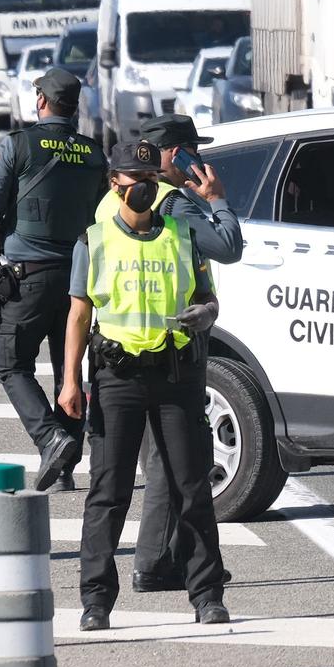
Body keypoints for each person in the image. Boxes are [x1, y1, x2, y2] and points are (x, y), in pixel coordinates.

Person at [59, 138, 228, 630]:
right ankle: (95, 601)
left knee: (191, 487)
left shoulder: (182, 234)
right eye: (137, 182)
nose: (146, 191)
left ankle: (207, 595)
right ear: (116, 184)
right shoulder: (93, 240)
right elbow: (78, 314)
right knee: (109, 492)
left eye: (152, 182)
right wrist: (70, 382)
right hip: (117, 377)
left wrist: (206, 313)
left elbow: (209, 296)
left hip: (175, 374)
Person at [0, 65, 107, 493]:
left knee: (11, 364)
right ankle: (64, 466)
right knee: (70, 367)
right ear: (75, 107)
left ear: (42, 101)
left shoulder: (18, 144)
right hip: (80, 278)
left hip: (29, 275)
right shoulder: (94, 152)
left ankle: (52, 440)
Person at [127, 113, 244, 593]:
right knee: (175, 461)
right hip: (175, 346)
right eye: (195, 151)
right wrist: (217, 200)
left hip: (125, 342)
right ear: (177, 155)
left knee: (158, 460)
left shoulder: (120, 200)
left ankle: (168, 557)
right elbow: (228, 245)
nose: (201, 160)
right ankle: (154, 562)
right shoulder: (175, 203)